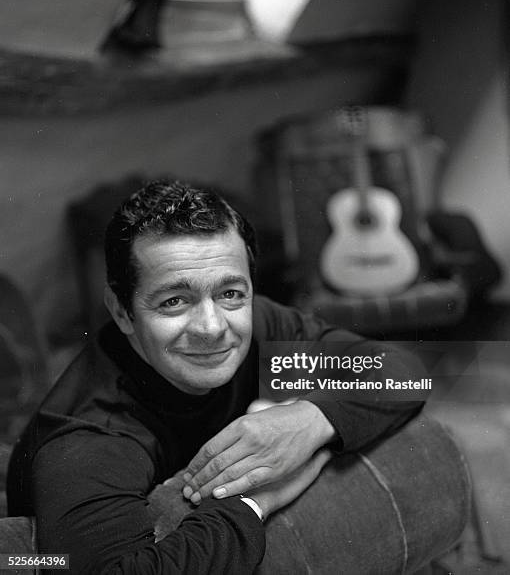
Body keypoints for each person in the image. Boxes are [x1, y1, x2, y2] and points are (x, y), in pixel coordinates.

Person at [7, 179, 426, 573]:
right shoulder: (89, 438)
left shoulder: (261, 326)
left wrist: (312, 419)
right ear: (122, 311)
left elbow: (405, 372)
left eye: (230, 293)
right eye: (174, 300)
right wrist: (255, 499)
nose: (212, 327)